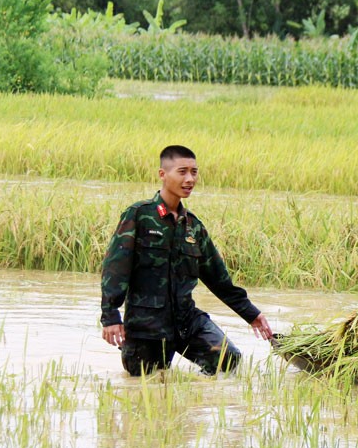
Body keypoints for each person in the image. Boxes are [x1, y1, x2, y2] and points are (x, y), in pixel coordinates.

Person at [100, 145, 274, 375]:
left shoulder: (193, 227)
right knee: (149, 387)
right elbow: (116, 268)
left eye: (194, 172)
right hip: (147, 326)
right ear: (163, 174)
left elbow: (219, 280)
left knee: (227, 359)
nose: (190, 179)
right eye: (182, 172)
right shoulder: (139, 216)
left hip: (186, 321)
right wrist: (110, 316)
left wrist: (251, 314)